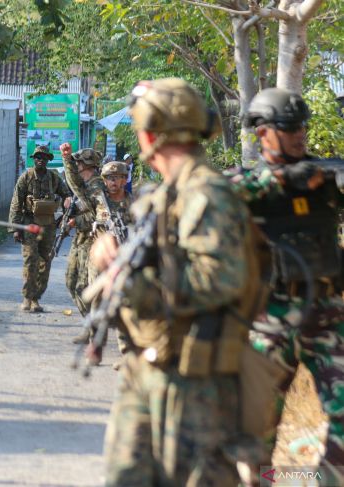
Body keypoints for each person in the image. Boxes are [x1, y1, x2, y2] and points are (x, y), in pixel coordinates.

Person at [89, 78, 255, 486]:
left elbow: (220, 279)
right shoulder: (169, 192)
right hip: (150, 362)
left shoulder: (207, 193)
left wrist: (130, 282)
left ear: (149, 133)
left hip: (195, 380)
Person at [228, 87, 344, 482]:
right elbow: (208, 196)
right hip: (268, 320)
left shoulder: (323, 178)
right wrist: (278, 181)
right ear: (262, 133)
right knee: (257, 431)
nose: (300, 134)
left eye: (302, 126)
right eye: (289, 127)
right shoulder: (245, 184)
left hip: (327, 316)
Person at [60, 145, 132, 348]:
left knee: (121, 299)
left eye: (117, 178)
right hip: (98, 249)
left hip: (120, 253)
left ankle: (124, 347)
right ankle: (95, 339)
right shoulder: (98, 196)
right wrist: (66, 160)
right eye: (109, 178)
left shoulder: (130, 202)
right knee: (89, 292)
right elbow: (79, 190)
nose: (112, 182)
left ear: (125, 180)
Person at [8, 145, 71, 312]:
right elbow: (16, 203)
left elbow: (66, 194)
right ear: (33, 159)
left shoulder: (54, 178)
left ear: (48, 160)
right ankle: (27, 297)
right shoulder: (26, 177)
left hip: (49, 225)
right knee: (30, 260)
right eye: (37, 157)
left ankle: (36, 298)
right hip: (30, 224)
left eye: (44, 157)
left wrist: (65, 211)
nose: (40, 160)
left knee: (46, 260)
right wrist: (15, 228)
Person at [60, 148, 101, 319]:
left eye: (79, 162)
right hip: (80, 239)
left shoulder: (97, 186)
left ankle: (92, 323)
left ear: (87, 164)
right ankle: (90, 320)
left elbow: (97, 216)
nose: (76, 165)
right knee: (70, 282)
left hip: (92, 240)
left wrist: (76, 221)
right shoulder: (85, 186)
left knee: (83, 286)